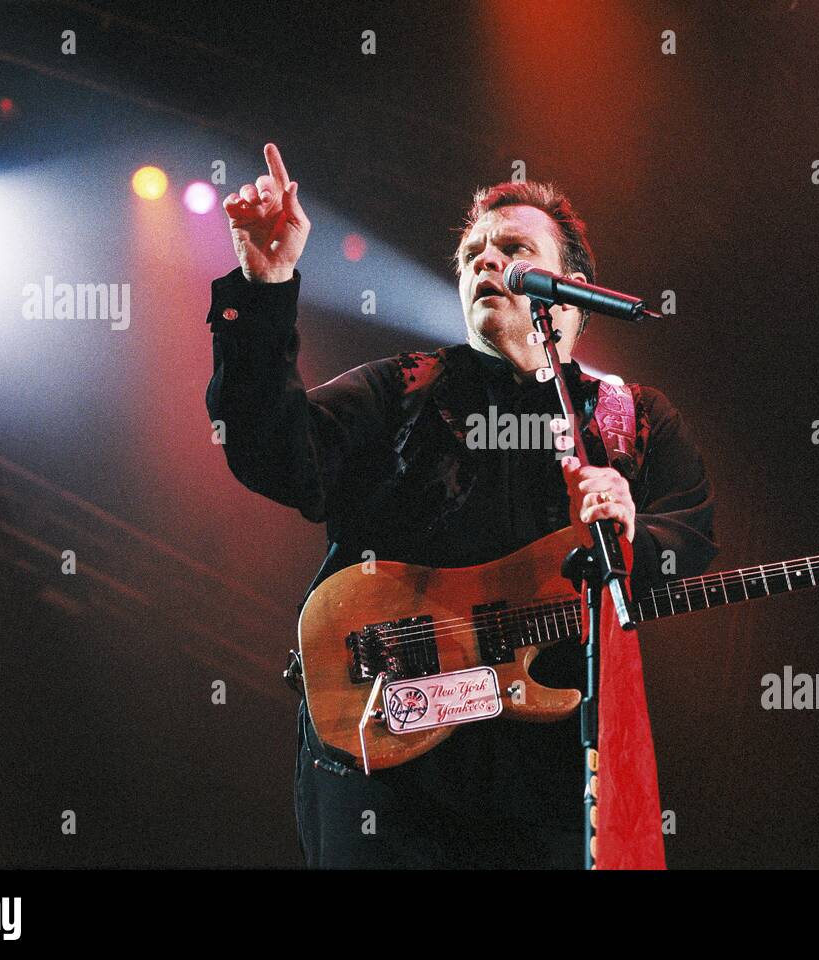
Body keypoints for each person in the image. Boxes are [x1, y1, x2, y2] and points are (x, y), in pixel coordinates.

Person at [205, 143, 718, 868]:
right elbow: (270, 452)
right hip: (390, 763)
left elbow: (690, 534)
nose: (485, 260)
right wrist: (264, 285)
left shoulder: (632, 418)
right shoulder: (403, 390)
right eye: (473, 252)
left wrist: (637, 532)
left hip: (552, 776)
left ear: (572, 285)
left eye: (512, 248)